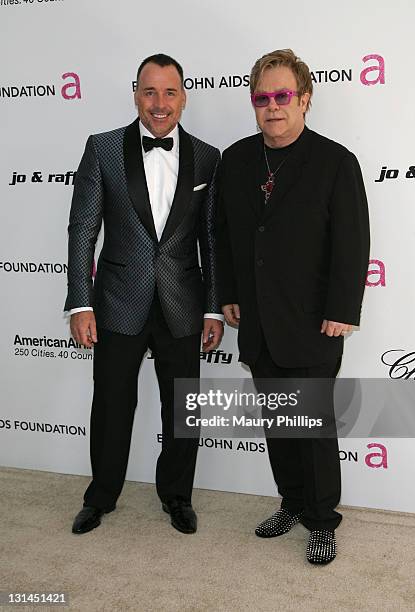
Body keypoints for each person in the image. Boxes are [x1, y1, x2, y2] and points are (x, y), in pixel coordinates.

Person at [217, 49, 369, 564]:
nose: (272, 107)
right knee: (279, 425)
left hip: (313, 323)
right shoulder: (236, 160)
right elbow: (223, 235)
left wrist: (343, 307)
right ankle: (293, 503)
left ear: (304, 99)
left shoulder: (335, 162)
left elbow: (352, 242)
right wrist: (228, 295)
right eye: (263, 98)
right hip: (258, 321)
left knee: (313, 429)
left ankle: (323, 520)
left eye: (283, 96)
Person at [66, 53, 223, 535]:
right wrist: (81, 301)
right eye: (150, 92)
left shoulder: (208, 156)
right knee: (112, 404)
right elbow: (82, 230)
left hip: (183, 302)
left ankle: (177, 497)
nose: (159, 103)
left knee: (183, 408)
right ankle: (101, 496)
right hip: (116, 300)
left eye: (169, 92)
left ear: (184, 97)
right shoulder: (103, 148)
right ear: (136, 94)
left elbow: (212, 239)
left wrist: (214, 308)